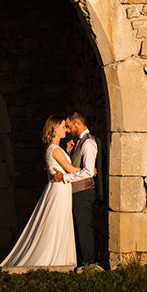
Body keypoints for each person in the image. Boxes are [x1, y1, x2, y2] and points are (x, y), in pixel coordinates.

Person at [0, 115, 79, 268]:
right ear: (55, 129)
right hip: (59, 191)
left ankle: (58, 257)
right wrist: (89, 171)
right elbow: (70, 170)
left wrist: (68, 153)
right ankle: (51, 258)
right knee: (55, 224)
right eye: (63, 127)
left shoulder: (54, 148)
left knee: (58, 223)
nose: (65, 130)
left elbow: (62, 167)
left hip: (60, 189)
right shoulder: (55, 149)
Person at [51, 111, 98, 265]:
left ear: (78, 123)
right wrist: (70, 154)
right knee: (78, 228)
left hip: (83, 192)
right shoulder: (79, 142)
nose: (68, 130)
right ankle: (80, 261)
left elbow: (89, 172)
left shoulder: (88, 143)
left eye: (69, 126)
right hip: (76, 192)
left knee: (84, 229)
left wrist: (64, 178)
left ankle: (88, 264)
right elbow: (78, 167)